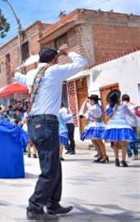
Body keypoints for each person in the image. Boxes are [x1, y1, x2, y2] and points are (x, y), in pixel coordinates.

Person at [15, 44, 86, 220]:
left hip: (34, 123)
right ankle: (34, 207)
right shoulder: (55, 71)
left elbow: (18, 77)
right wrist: (67, 52)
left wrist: (15, 70)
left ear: (39, 59)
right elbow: (81, 63)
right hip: (47, 123)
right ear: (54, 60)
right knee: (50, 169)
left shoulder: (32, 74)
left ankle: (53, 203)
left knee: (54, 165)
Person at [103, 90, 137, 167]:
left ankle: (117, 159)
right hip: (122, 125)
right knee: (123, 144)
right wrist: (134, 120)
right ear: (118, 99)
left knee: (116, 143)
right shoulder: (123, 106)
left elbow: (108, 116)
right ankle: (123, 160)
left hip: (113, 126)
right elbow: (130, 114)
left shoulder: (109, 107)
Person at [80, 95, 108, 163]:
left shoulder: (95, 107)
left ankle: (104, 155)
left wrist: (84, 103)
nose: (89, 102)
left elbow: (83, 112)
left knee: (98, 141)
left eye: (90, 100)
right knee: (94, 141)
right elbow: (84, 114)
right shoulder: (94, 107)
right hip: (93, 125)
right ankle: (99, 154)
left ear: (92, 100)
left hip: (97, 125)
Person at [122, 94, 139, 160]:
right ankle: (136, 155)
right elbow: (137, 106)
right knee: (134, 139)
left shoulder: (122, 106)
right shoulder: (133, 106)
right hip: (133, 124)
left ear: (122, 99)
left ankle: (129, 154)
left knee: (126, 140)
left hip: (126, 125)